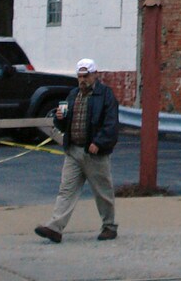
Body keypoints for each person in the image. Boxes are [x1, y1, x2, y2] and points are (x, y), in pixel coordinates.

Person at [34, 59, 121, 243]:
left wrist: (99, 142)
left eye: (86, 76)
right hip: (73, 150)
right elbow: (65, 124)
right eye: (79, 76)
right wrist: (59, 118)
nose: (82, 80)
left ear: (95, 74)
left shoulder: (105, 95)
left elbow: (111, 124)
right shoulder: (73, 95)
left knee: (102, 191)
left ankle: (109, 226)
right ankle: (55, 228)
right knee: (66, 190)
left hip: (95, 154)